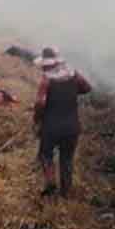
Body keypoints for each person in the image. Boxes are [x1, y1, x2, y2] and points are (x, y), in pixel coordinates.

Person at [31, 48, 92, 198]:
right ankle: (66, 192)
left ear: (47, 65)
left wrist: (37, 120)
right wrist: (70, 93)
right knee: (67, 159)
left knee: (45, 154)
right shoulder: (73, 75)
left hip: (51, 127)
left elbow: (40, 103)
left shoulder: (46, 81)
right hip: (72, 127)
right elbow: (87, 88)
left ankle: (50, 182)